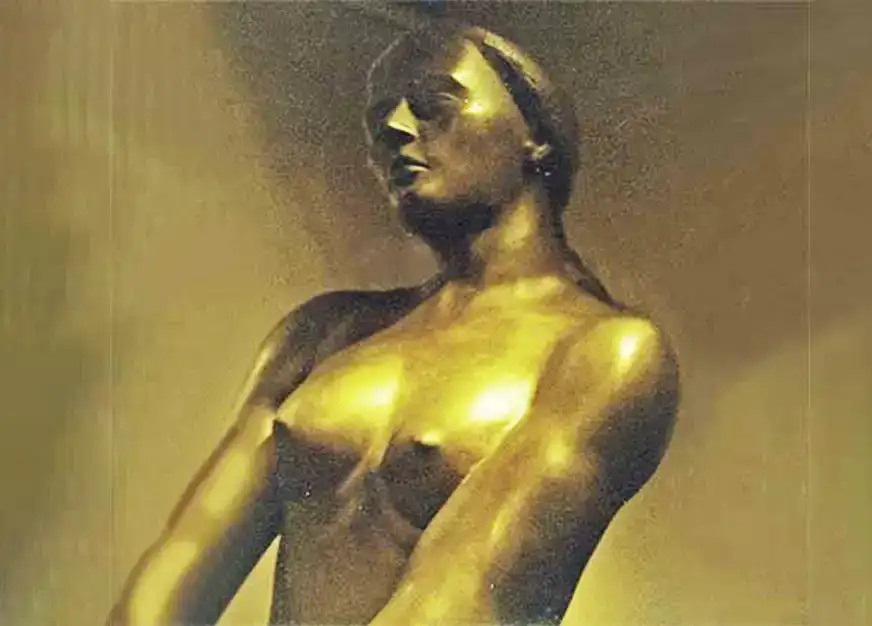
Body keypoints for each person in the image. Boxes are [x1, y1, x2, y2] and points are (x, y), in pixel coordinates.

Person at [109, 22, 680, 626]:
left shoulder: (603, 352)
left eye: (435, 103)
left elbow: (462, 593)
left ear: (534, 134)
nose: (395, 128)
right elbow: (177, 566)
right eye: (379, 118)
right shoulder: (320, 335)